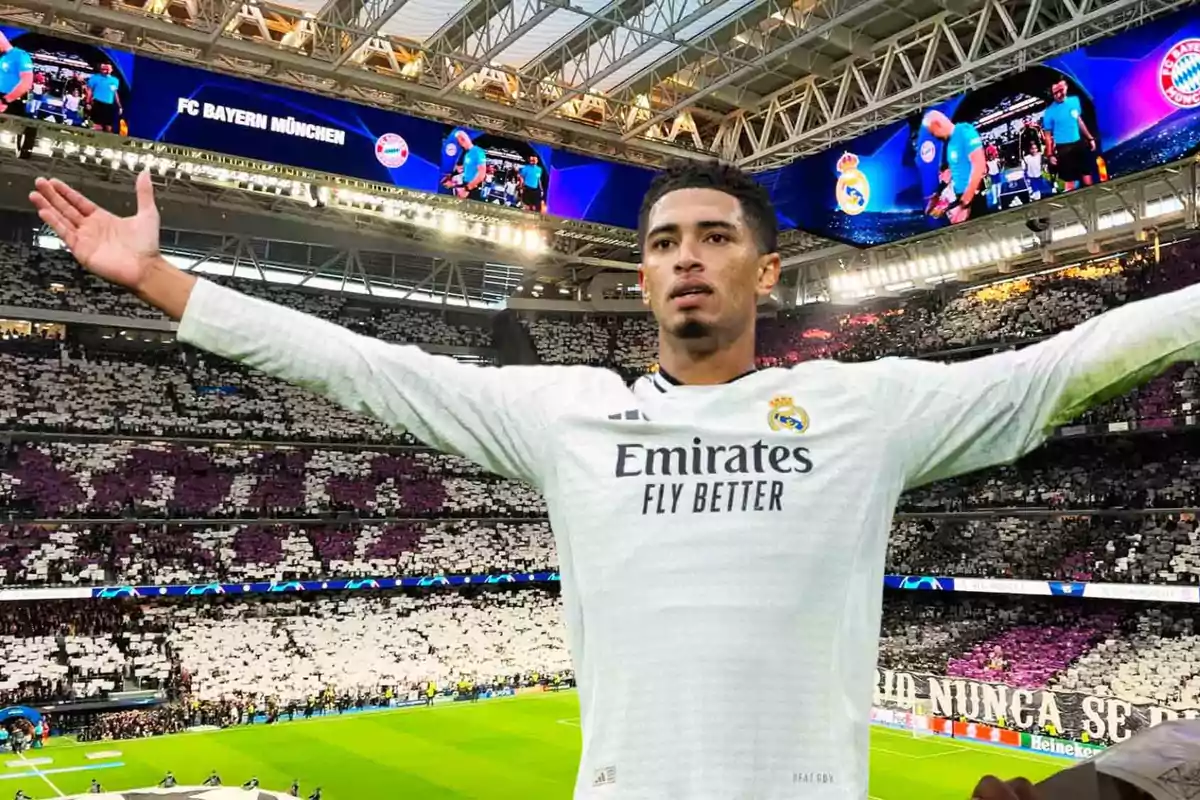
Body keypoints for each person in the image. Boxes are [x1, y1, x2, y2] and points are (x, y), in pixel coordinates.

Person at [28, 161, 1200, 799]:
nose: (686, 255)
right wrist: (167, 283)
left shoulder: (868, 406)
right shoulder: (565, 414)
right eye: (661, 241)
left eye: (714, 235)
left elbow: (1066, 362)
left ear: (766, 267)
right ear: (641, 275)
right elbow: (362, 365)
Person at [923, 110, 987, 224]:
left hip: (972, 201)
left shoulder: (964, 130)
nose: (935, 136)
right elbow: (952, 173)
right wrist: (938, 194)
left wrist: (965, 203)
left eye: (933, 133)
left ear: (938, 124)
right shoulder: (951, 144)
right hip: (961, 200)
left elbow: (979, 165)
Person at [1042, 79, 1096, 192]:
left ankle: (1092, 196)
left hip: (1078, 144)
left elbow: (1079, 120)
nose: (1058, 95)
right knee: (1069, 180)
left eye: (1060, 91)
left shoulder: (1075, 101)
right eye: (1055, 93)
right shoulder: (1049, 112)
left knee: (1086, 173)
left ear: (1065, 89)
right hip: (1063, 149)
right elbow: (1047, 136)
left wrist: (1090, 138)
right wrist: (1050, 154)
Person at [0, 32, 33, 118]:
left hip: (8, 102)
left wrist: (6, 100)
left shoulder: (20, 55)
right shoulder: (2, 57)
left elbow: (27, 82)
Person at [85, 63, 121, 134]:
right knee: (97, 125)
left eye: (108, 69)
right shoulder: (95, 78)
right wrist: (88, 103)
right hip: (97, 103)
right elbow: (89, 91)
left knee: (108, 127)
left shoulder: (114, 80)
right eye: (105, 69)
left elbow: (115, 93)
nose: (106, 70)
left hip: (109, 105)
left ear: (111, 70)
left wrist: (119, 106)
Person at [451, 130, 487, 201]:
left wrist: (467, 189)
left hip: (471, 189)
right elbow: (466, 168)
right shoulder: (467, 154)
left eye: (459, 141)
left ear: (462, 140)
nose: (459, 144)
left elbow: (481, 174)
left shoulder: (478, 152)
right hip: (465, 186)